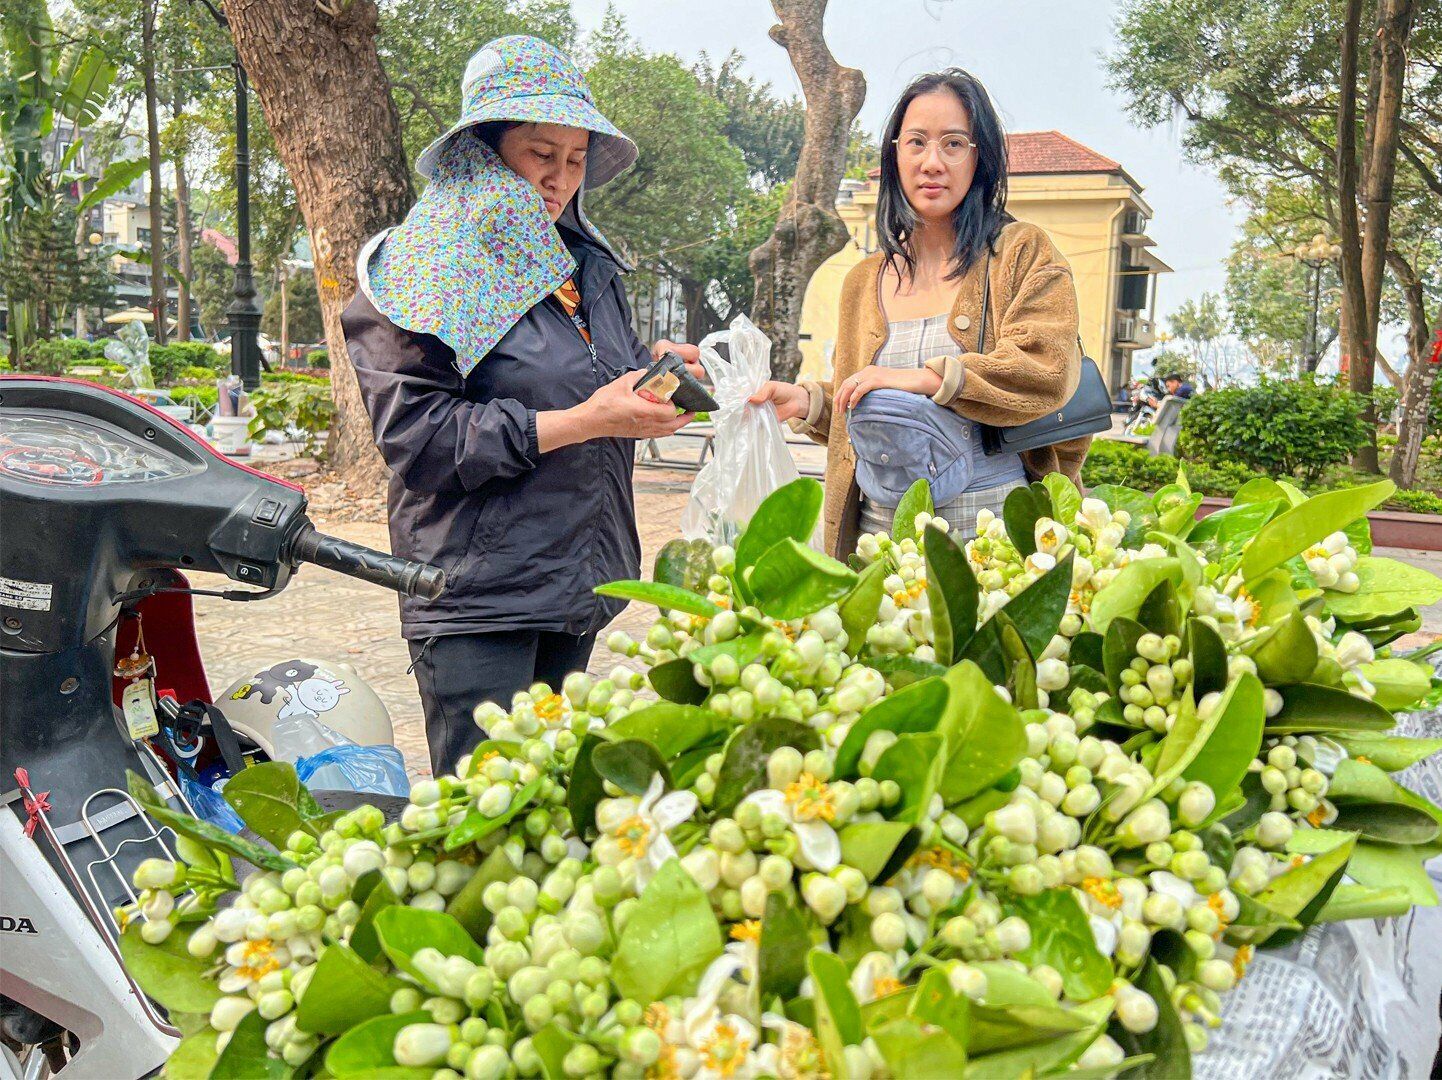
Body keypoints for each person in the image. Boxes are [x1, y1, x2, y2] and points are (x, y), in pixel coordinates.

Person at [341, 36, 701, 775]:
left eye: (576, 159)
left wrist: (651, 378)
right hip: (478, 598)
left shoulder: (584, 268)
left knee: (548, 807)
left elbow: (590, 376)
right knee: (490, 816)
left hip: (576, 581)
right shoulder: (419, 270)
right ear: (482, 148)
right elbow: (421, 440)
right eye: (541, 153)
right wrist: (587, 420)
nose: (559, 178)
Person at [751, 69, 1090, 557]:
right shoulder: (863, 281)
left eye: (953, 144)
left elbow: (1046, 371)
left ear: (979, 158)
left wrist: (928, 379)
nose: (932, 163)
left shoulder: (1021, 253)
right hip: (881, 549)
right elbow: (877, 415)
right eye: (916, 142)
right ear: (895, 155)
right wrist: (811, 404)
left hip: (997, 552)